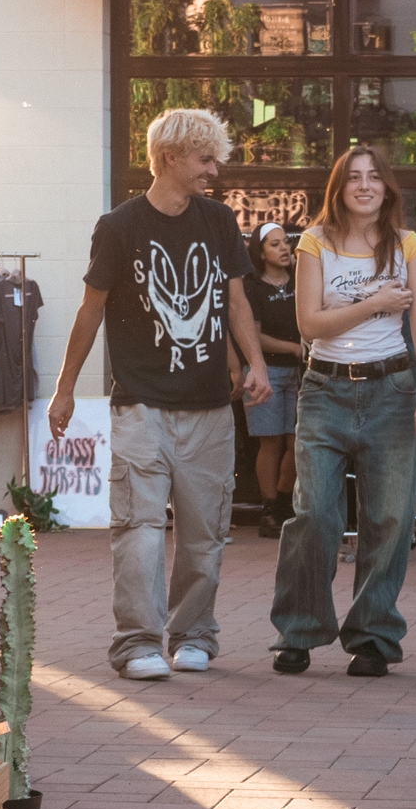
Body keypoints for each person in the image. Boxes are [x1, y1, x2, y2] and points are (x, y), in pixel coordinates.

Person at [47, 110, 271, 682]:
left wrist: (256, 363)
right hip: (140, 404)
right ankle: (137, 643)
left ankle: (194, 634)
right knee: (139, 529)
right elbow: (90, 311)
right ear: (171, 157)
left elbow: (236, 303)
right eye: (204, 160)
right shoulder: (118, 226)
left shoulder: (220, 222)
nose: (213, 171)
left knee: (204, 533)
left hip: (209, 408)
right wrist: (64, 388)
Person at [270, 146, 416, 678]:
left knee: (390, 518)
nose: (364, 186)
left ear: (387, 187)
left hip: (392, 390)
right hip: (324, 391)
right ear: (338, 189)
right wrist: (374, 304)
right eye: (353, 179)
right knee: (314, 514)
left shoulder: (409, 246)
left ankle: (372, 635)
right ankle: (299, 631)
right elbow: (309, 326)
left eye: (374, 178)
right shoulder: (314, 243)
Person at [244, 223, 303, 538]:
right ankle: (269, 510)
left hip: (301, 373)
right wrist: (292, 347)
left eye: (286, 243)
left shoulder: (301, 280)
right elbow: (253, 335)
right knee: (271, 441)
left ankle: (282, 502)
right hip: (267, 370)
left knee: (298, 441)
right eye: (274, 244)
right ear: (261, 251)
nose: (284, 249)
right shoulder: (252, 287)